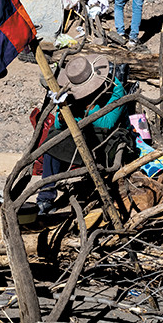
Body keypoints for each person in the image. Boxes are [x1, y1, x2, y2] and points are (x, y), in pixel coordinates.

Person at [37, 54, 129, 214]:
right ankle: (45, 197)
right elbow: (58, 123)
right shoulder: (70, 92)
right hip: (81, 132)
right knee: (53, 139)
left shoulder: (116, 89)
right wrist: (65, 114)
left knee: (105, 143)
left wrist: (81, 112)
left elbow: (107, 122)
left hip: (107, 136)